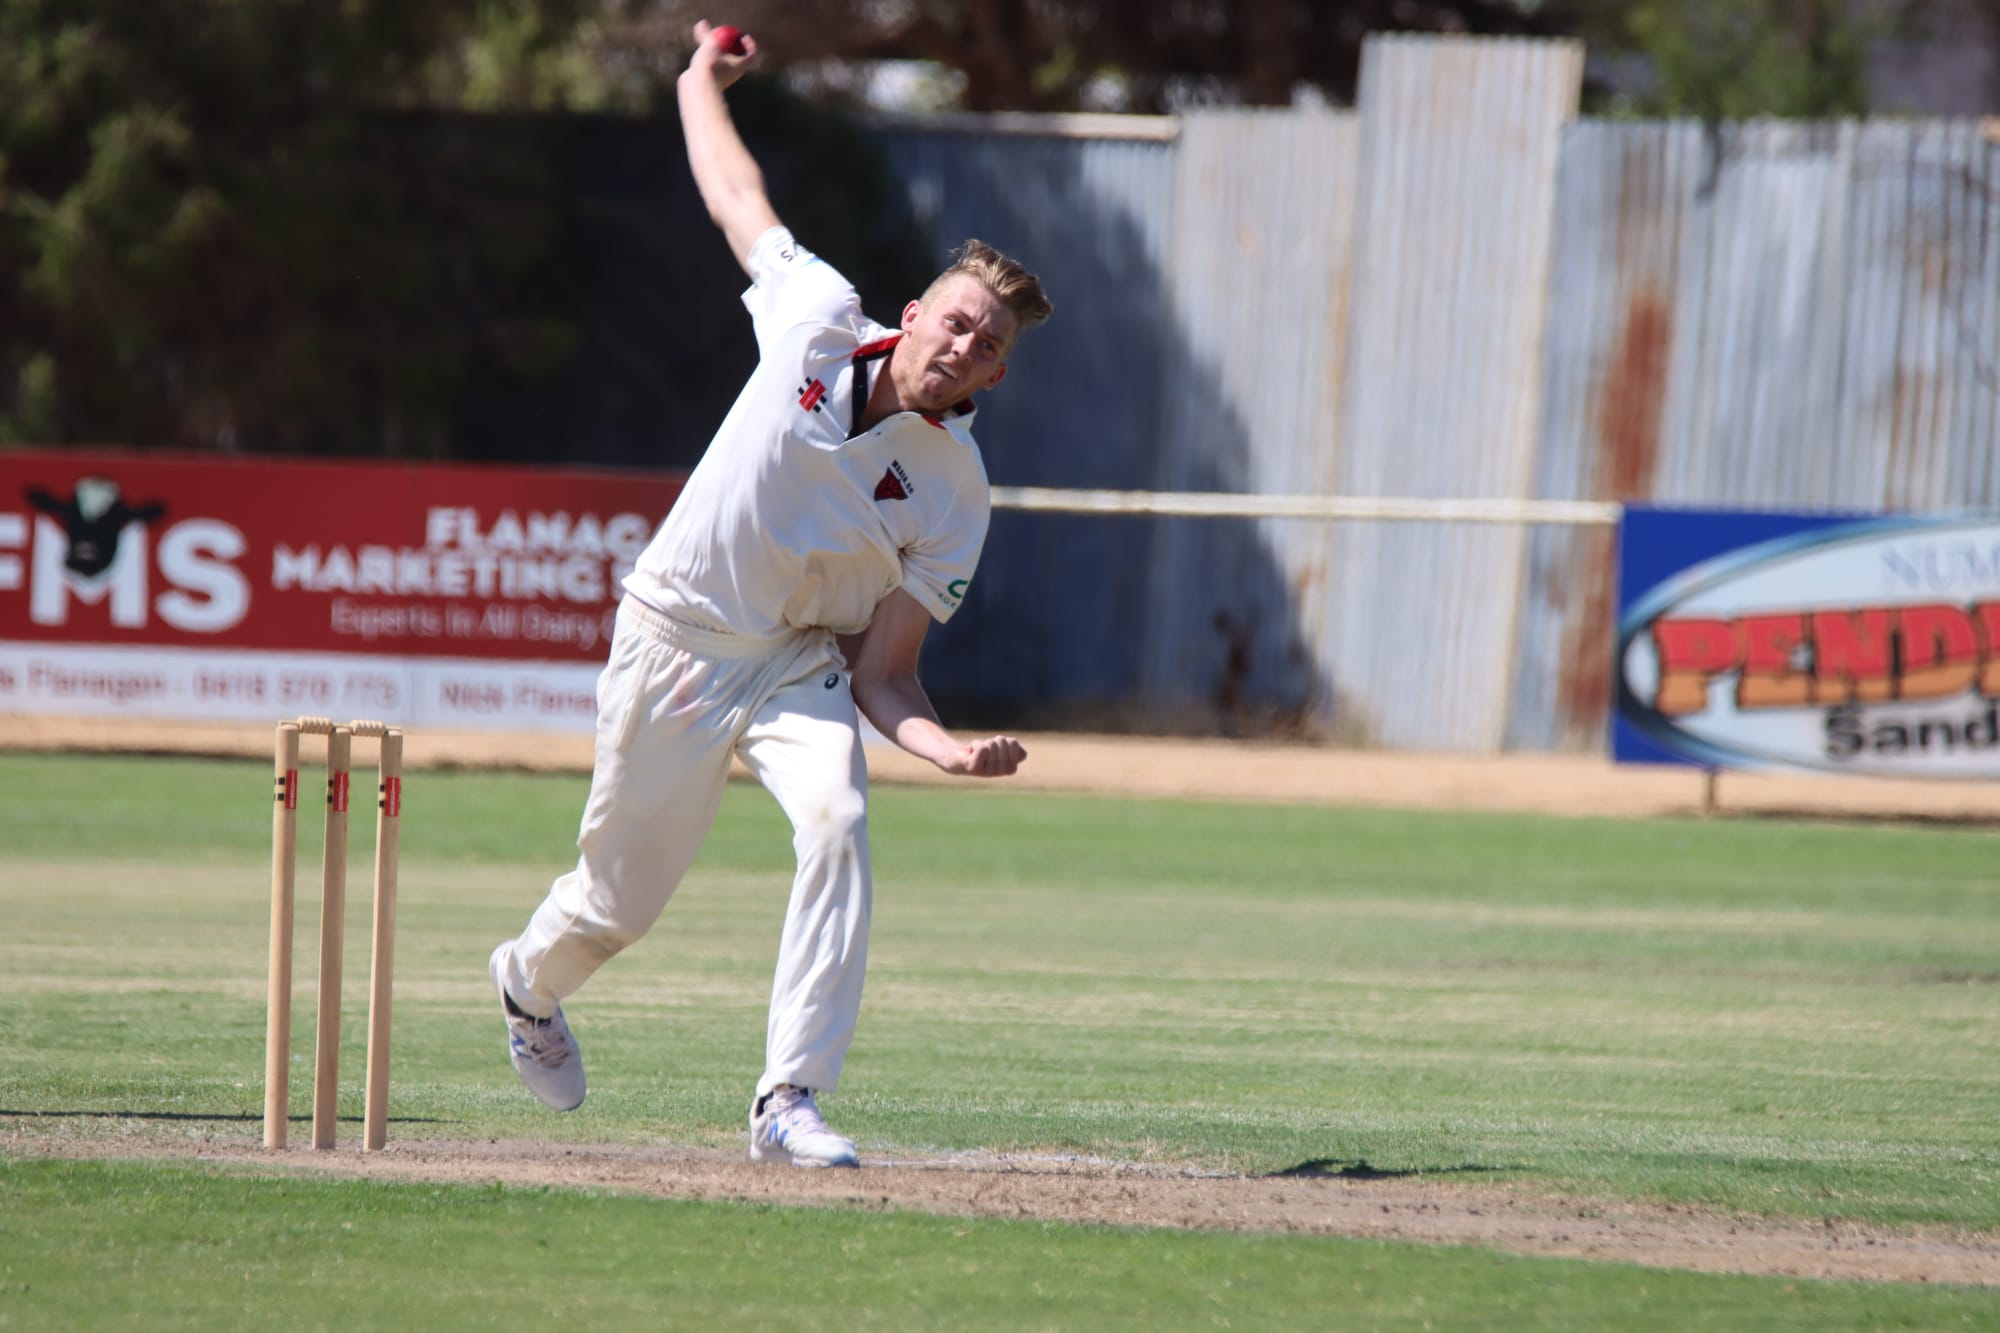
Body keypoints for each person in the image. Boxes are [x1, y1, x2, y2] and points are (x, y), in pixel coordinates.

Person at [487, 19, 1053, 1170]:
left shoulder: (955, 492)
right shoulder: (814, 314)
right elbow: (733, 191)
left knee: (839, 823)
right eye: (955, 316)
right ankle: (526, 983)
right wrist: (699, 76)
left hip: (793, 661)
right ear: (917, 308)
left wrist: (939, 751)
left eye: (985, 342)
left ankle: (786, 1095)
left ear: (995, 373)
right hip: (674, 637)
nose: (961, 342)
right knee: (614, 904)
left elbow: (883, 670)